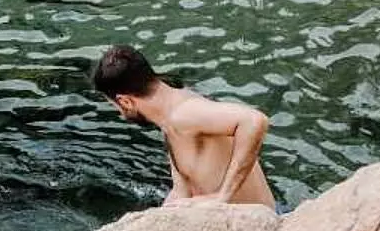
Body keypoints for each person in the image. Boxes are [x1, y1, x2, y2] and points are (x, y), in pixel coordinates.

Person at [92, 45, 275, 209]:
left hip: (257, 226)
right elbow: (182, 193)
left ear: (125, 101)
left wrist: (222, 197)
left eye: (114, 106)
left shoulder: (185, 113)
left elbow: (254, 121)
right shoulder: (169, 121)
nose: (119, 113)